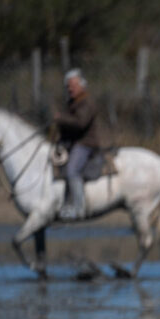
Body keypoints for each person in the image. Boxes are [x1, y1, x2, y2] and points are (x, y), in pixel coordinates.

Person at [52, 68, 107, 221]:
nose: (70, 89)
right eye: (68, 86)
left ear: (82, 85)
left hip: (86, 144)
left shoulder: (87, 102)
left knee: (72, 170)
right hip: (72, 143)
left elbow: (80, 123)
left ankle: (79, 207)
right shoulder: (72, 103)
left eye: (73, 85)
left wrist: (60, 118)